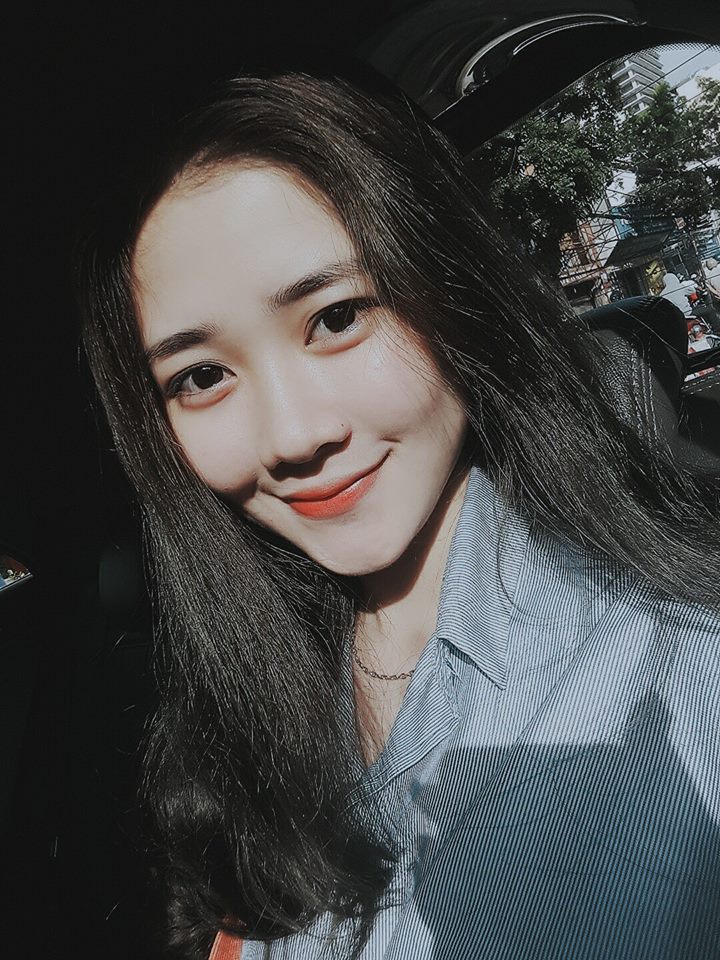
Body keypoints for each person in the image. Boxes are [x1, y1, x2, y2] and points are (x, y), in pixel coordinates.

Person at [76, 71, 720, 960]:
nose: (294, 436)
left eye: (337, 317)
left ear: (456, 289)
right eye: (202, 376)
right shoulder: (237, 711)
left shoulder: (683, 664)